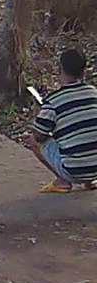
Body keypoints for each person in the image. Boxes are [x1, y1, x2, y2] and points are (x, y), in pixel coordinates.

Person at [30, 49, 97, 193]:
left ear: (60, 69)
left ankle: (62, 181)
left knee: (34, 141)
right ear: (83, 71)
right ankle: (90, 181)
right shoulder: (94, 93)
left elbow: (38, 135)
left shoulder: (54, 100)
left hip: (73, 170)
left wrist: (38, 116)